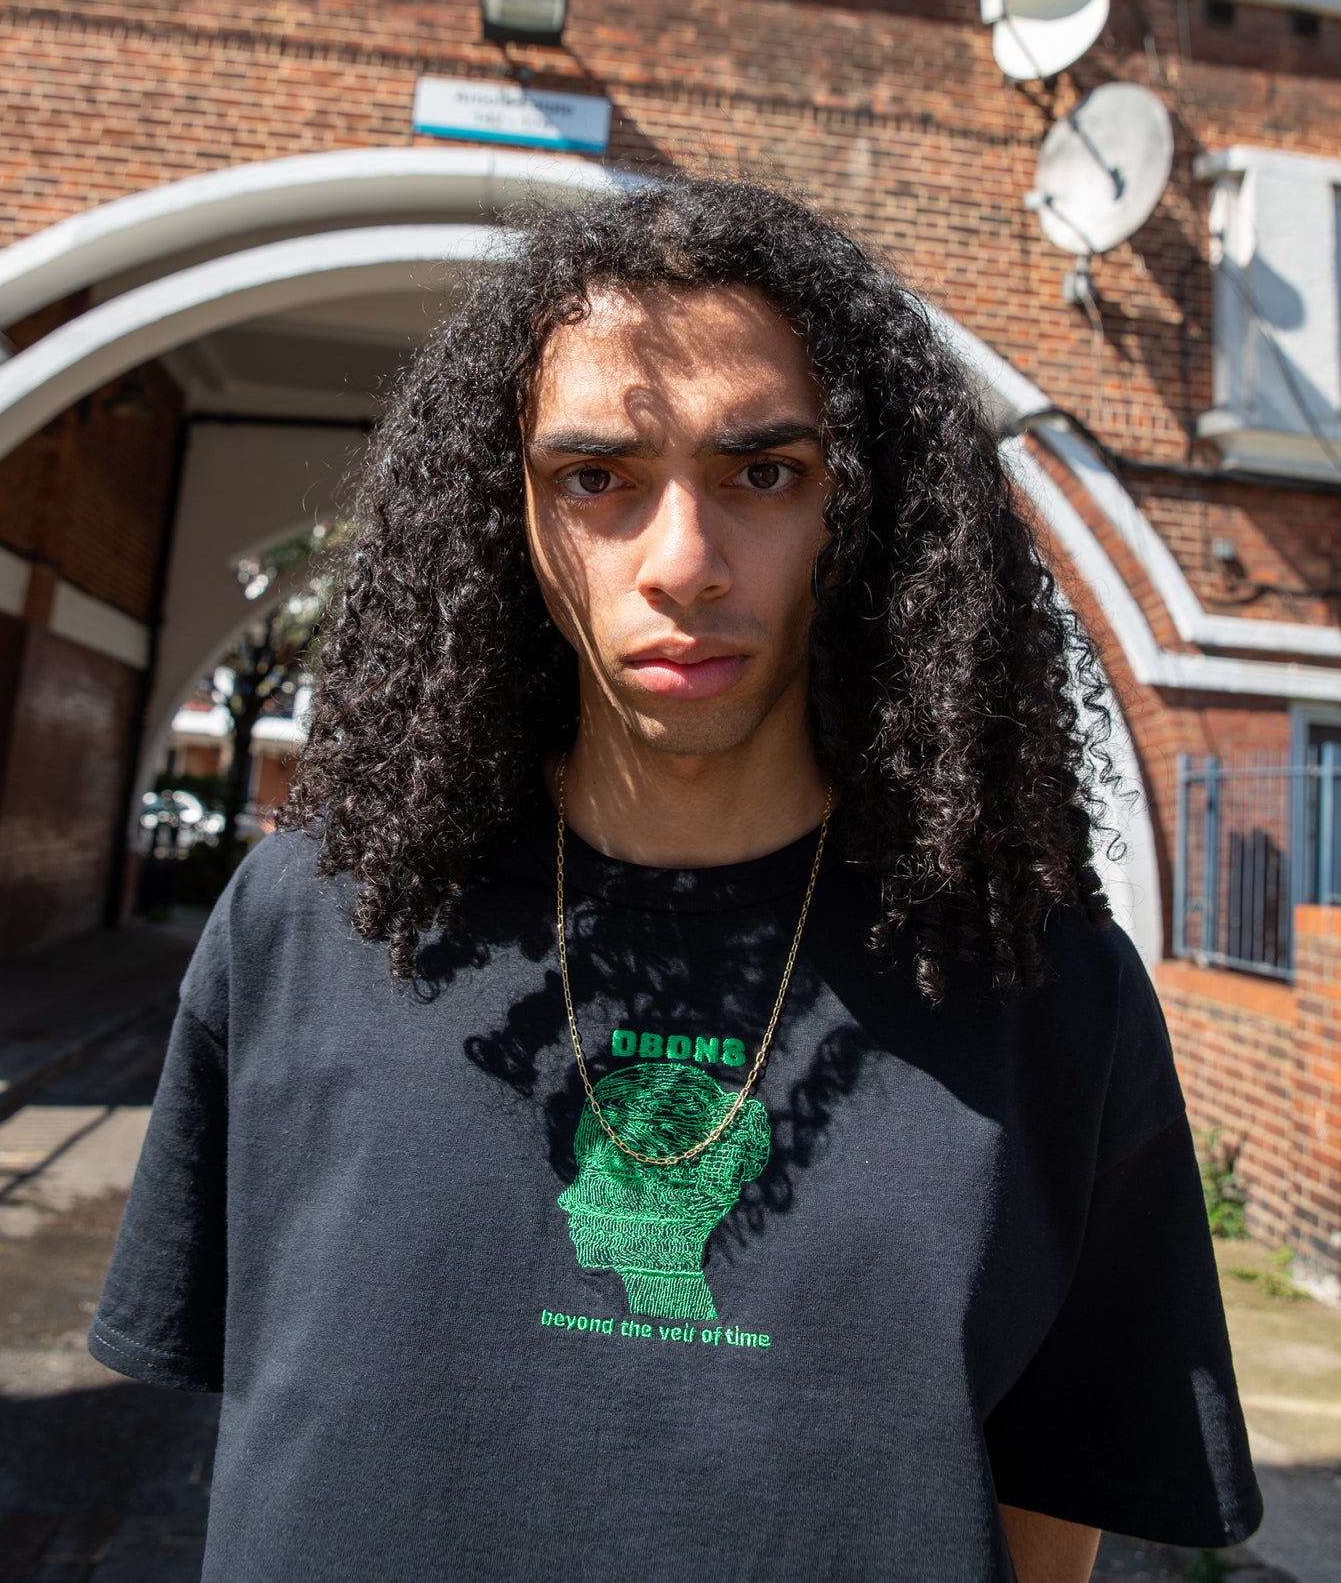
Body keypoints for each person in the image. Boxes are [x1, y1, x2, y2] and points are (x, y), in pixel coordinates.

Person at [91, 174, 1261, 1583]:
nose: (683, 563)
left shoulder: (1044, 991)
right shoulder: (308, 926)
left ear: (866, 504)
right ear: (512, 513)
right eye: (597, 478)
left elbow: (1042, 1530)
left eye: (762, 472)